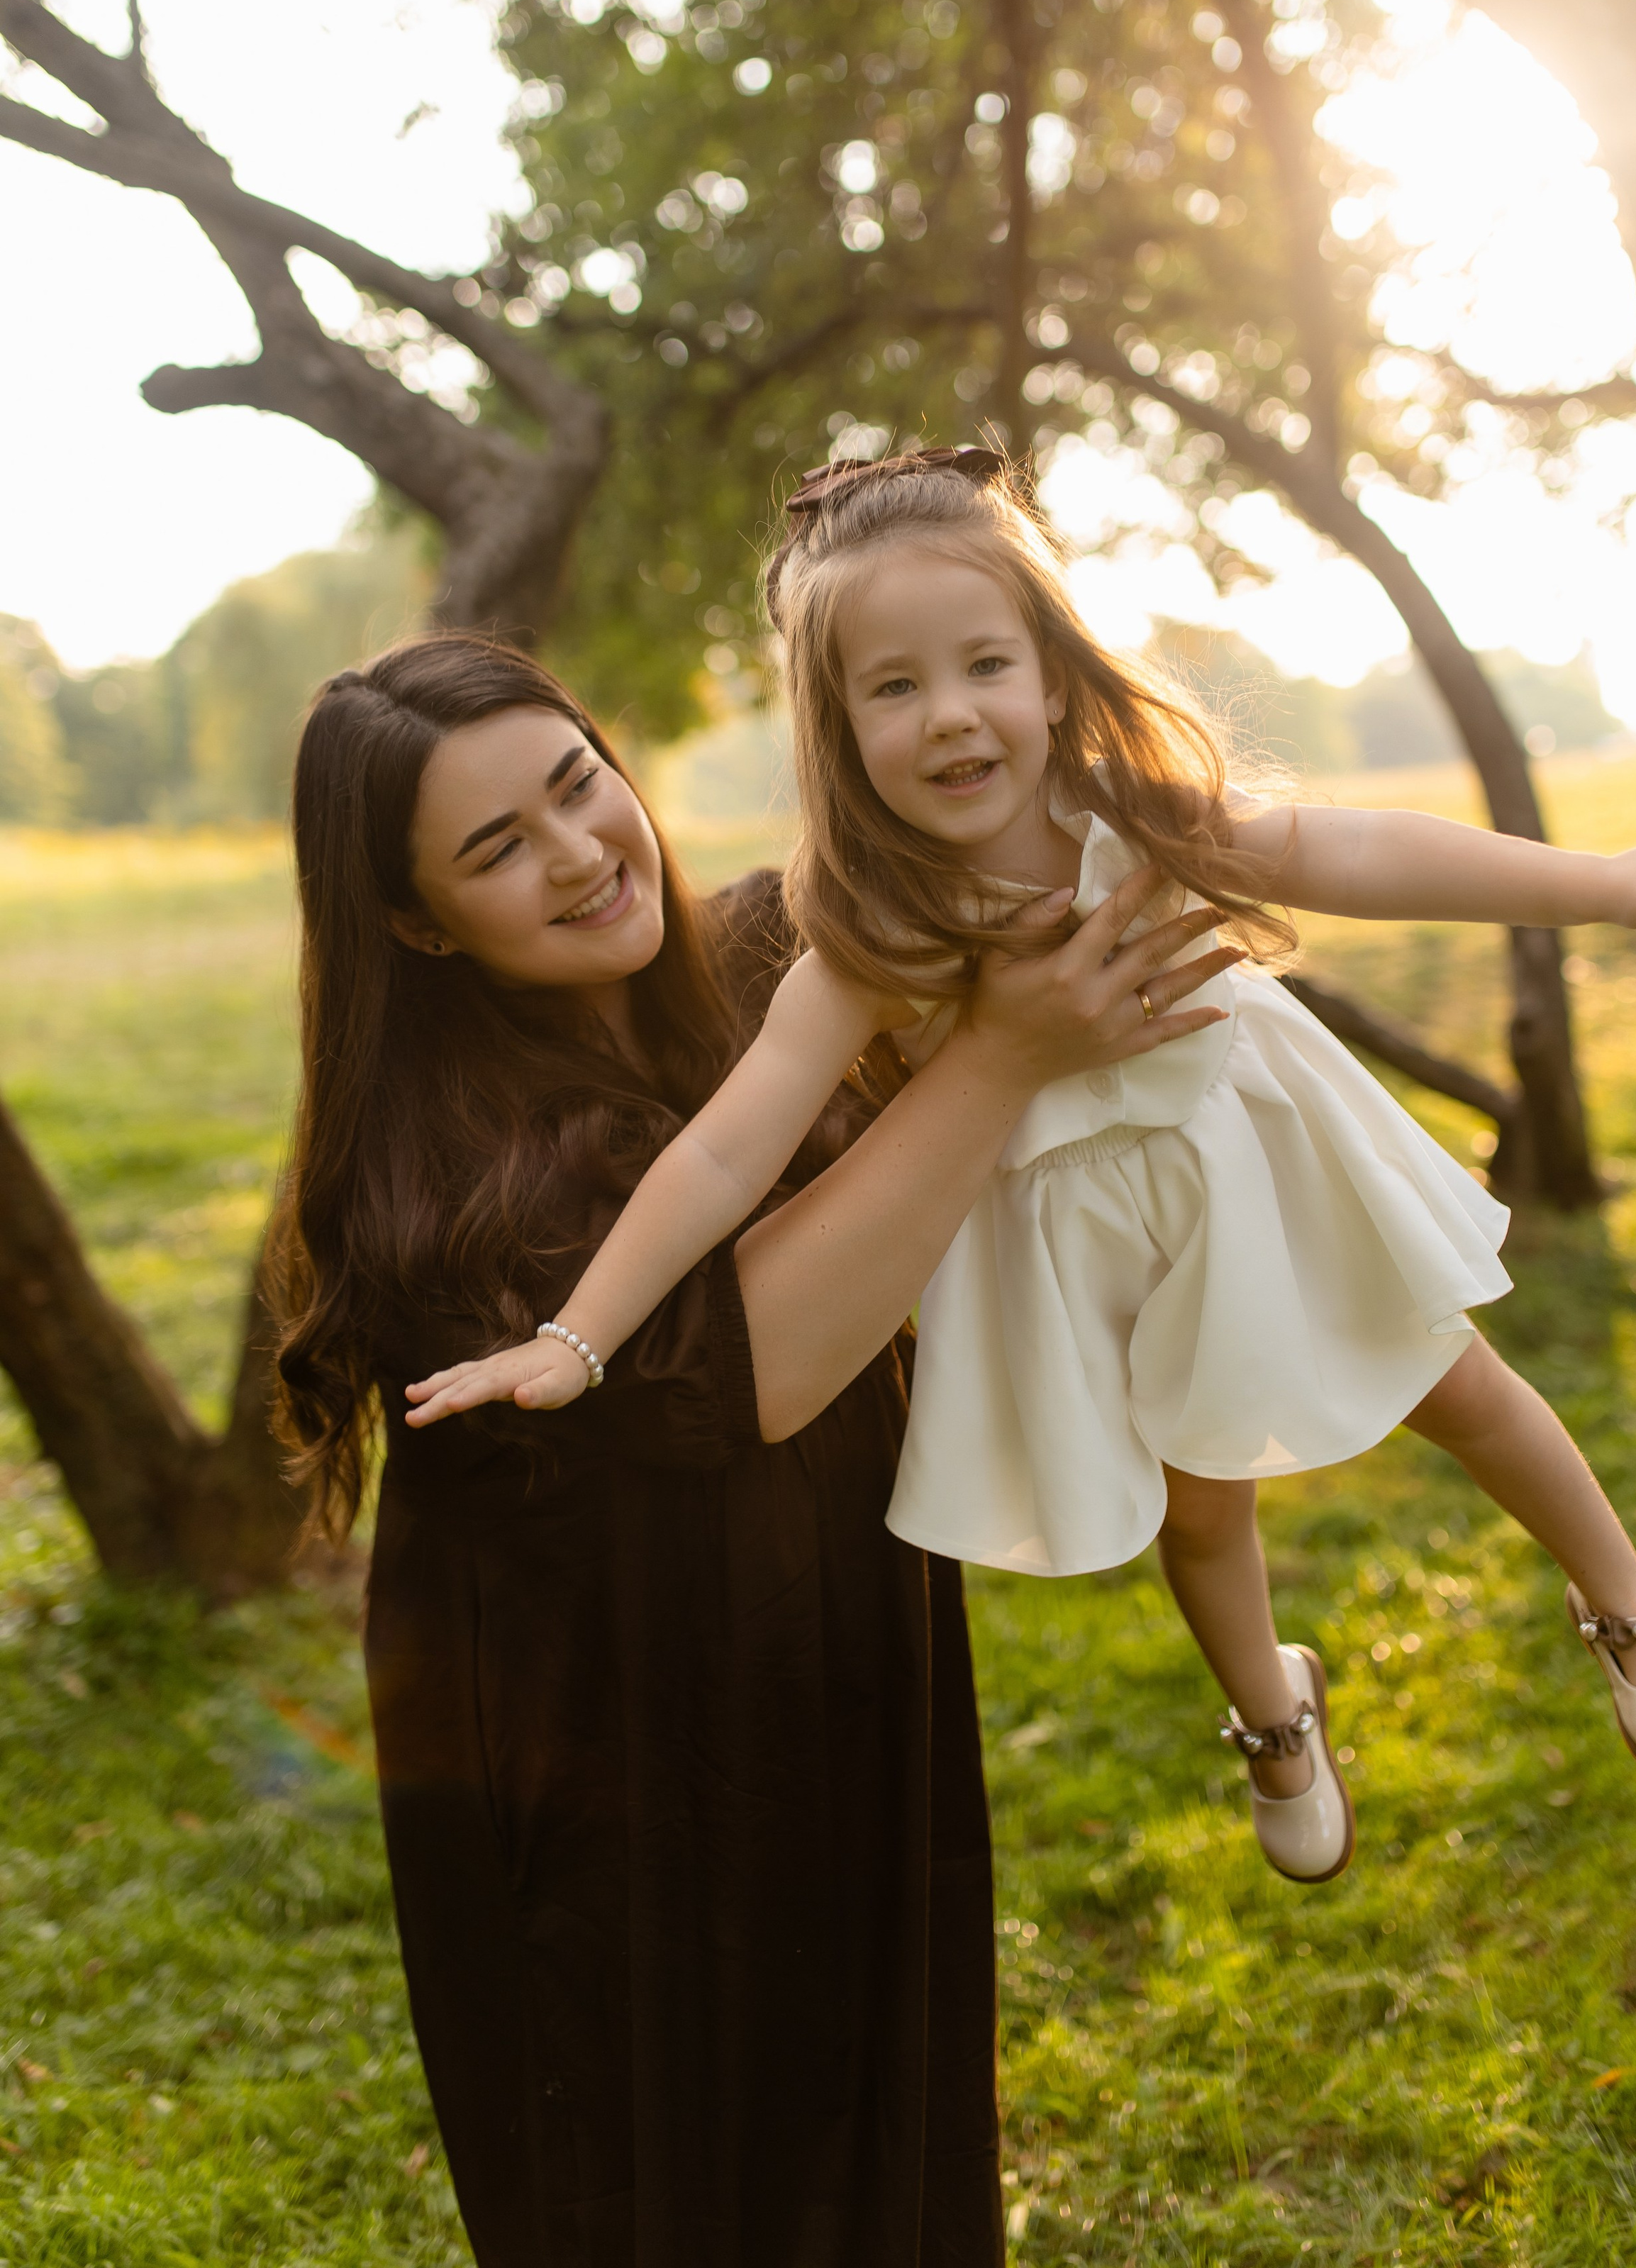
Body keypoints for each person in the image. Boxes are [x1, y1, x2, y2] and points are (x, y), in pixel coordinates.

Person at [412, 454, 1636, 1891]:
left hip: (1252, 1158)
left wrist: (1602, 882)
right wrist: (578, 1337)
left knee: (1464, 1390)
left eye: (983, 664)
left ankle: (1627, 1609)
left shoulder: (1132, 815)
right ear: (835, 725)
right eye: (891, 688)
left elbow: (1350, 847)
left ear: (1051, 676)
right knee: (1203, 1515)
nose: (948, 713)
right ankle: (1272, 1714)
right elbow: (724, 1150)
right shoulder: (865, 936)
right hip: (1101, 1237)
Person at [275, 628, 1228, 2268]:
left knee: (881, 2132)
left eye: (579, 785)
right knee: (682, 2183)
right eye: (498, 850)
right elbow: (742, 1373)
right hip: (619, 1779)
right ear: (416, 922)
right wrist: (1004, 1058)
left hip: (833, 1663)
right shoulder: (430, 1179)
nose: (580, 854)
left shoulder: (747, 972)